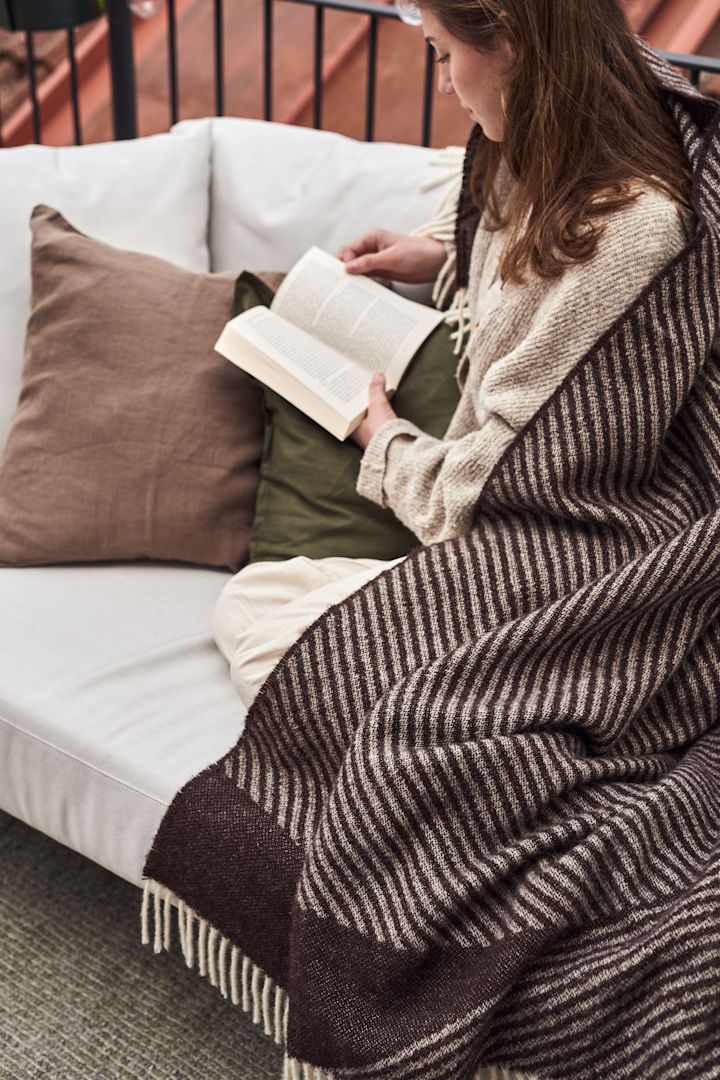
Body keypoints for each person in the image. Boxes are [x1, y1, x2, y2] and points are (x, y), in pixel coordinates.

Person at [213, 0, 696, 710]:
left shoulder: (633, 231)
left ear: (510, 42)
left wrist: (377, 433)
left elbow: (500, 488)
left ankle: (476, 719)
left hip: (561, 571)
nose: (442, 83)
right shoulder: (530, 166)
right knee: (255, 597)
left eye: (441, 52)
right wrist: (443, 255)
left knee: (281, 655)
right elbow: (529, 282)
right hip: (484, 553)